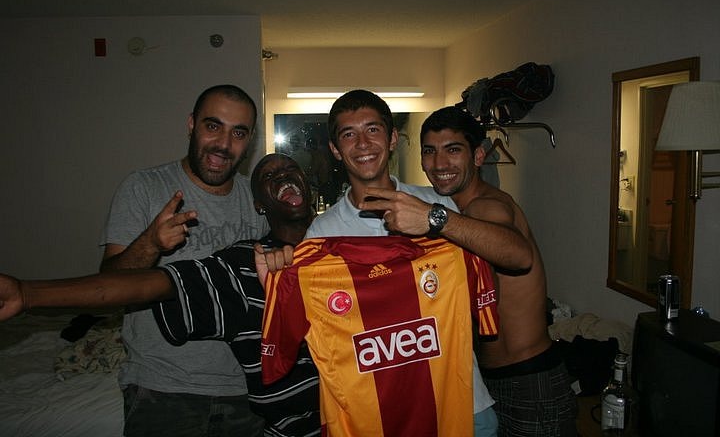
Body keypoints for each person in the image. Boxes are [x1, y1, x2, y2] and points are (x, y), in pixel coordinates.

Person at [258, 89, 530, 436]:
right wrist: (280, 287)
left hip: (461, 405)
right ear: (335, 149)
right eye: (349, 134)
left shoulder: (438, 203)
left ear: (392, 140)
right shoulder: (321, 237)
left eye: (372, 130)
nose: (363, 143)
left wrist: (434, 219)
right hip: (380, 417)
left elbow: (518, 258)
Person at [0, 153, 321, 437]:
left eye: (290, 168)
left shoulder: (342, 247)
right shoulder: (247, 264)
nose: (282, 174)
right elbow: (152, 284)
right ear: (259, 206)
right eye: (268, 174)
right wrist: (28, 294)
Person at [99, 84, 270, 436]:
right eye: (213, 126)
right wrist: (151, 244)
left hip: (247, 393)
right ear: (191, 124)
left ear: (250, 140)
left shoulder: (257, 199)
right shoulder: (145, 187)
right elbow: (108, 287)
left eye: (238, 133)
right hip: (163, 391)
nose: (224, 144)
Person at [417, 106, 578, 436]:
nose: (439, 164)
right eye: (430, 151)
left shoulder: (486, 207)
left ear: (478, 156)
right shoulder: (461, 214)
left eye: (453, 150)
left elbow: (519, 256)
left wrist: (435, 218)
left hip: (530, 382)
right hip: (492, 380)